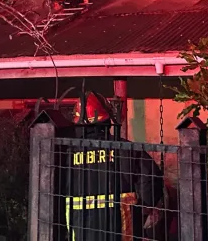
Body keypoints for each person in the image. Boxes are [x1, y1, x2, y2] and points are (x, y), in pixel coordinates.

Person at [59, 90, 166, 241]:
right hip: (122, 232)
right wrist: (141, 209)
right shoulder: (127, 149)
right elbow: (152, 182)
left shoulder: (66, 155)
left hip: (81, 232)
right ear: (107, 120)